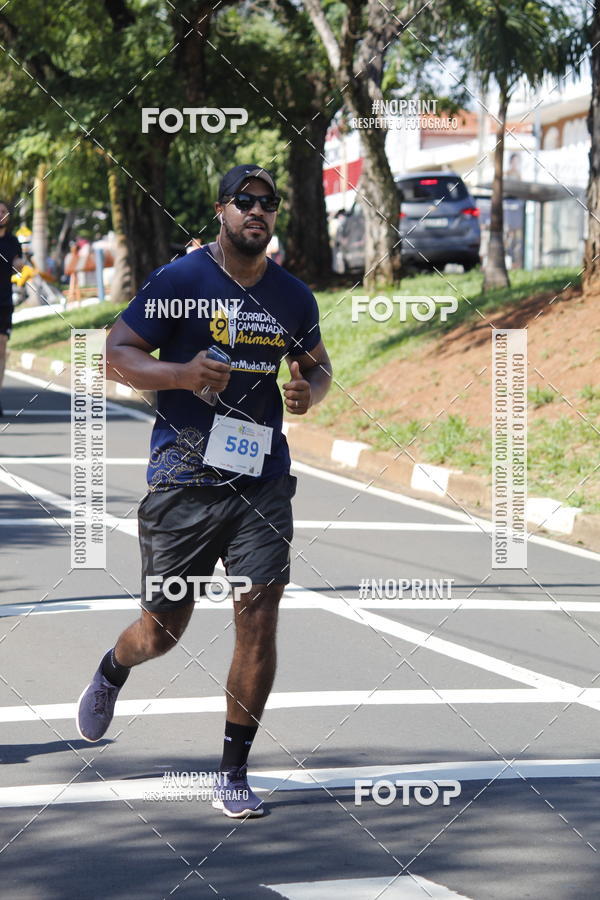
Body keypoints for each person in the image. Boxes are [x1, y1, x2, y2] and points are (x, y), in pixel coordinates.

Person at [76, 165, 333, 819]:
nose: (258, 211)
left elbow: (317, 364)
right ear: (221, 211)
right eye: (245, 202)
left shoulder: (293, 296)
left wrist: (309, 388)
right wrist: (182, 374)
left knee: (259, 615)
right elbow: (115, 353)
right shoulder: (181, 281)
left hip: (262, 481)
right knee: (163, 630)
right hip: (184, 479)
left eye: (269, 204)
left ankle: (234, 770)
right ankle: (113, 666)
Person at [0, 201, 24, 417]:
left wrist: (20, 263)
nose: (1, 215)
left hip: (4, 301)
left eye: (3, 212)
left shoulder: (13, 241)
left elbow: (18, 263)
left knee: (1, 348)